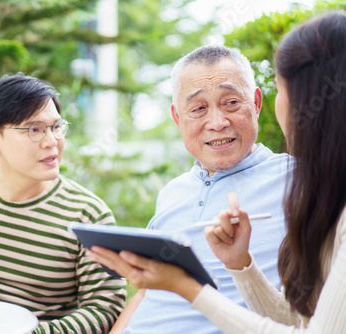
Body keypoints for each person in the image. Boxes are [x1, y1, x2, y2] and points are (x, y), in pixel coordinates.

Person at [90, 11, 346, 333]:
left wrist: (195, 284)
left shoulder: (311, 182)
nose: (217, 122)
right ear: (177, 117)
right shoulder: (172, 193)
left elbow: (309, 322)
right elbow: (147, 292)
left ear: (255, 103)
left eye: (230, 103)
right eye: (198, 109)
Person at [0, 74, 127, 333]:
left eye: (56, 127)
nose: (52, 141)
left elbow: (105, 306)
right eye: (35, 130)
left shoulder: (89, 215)